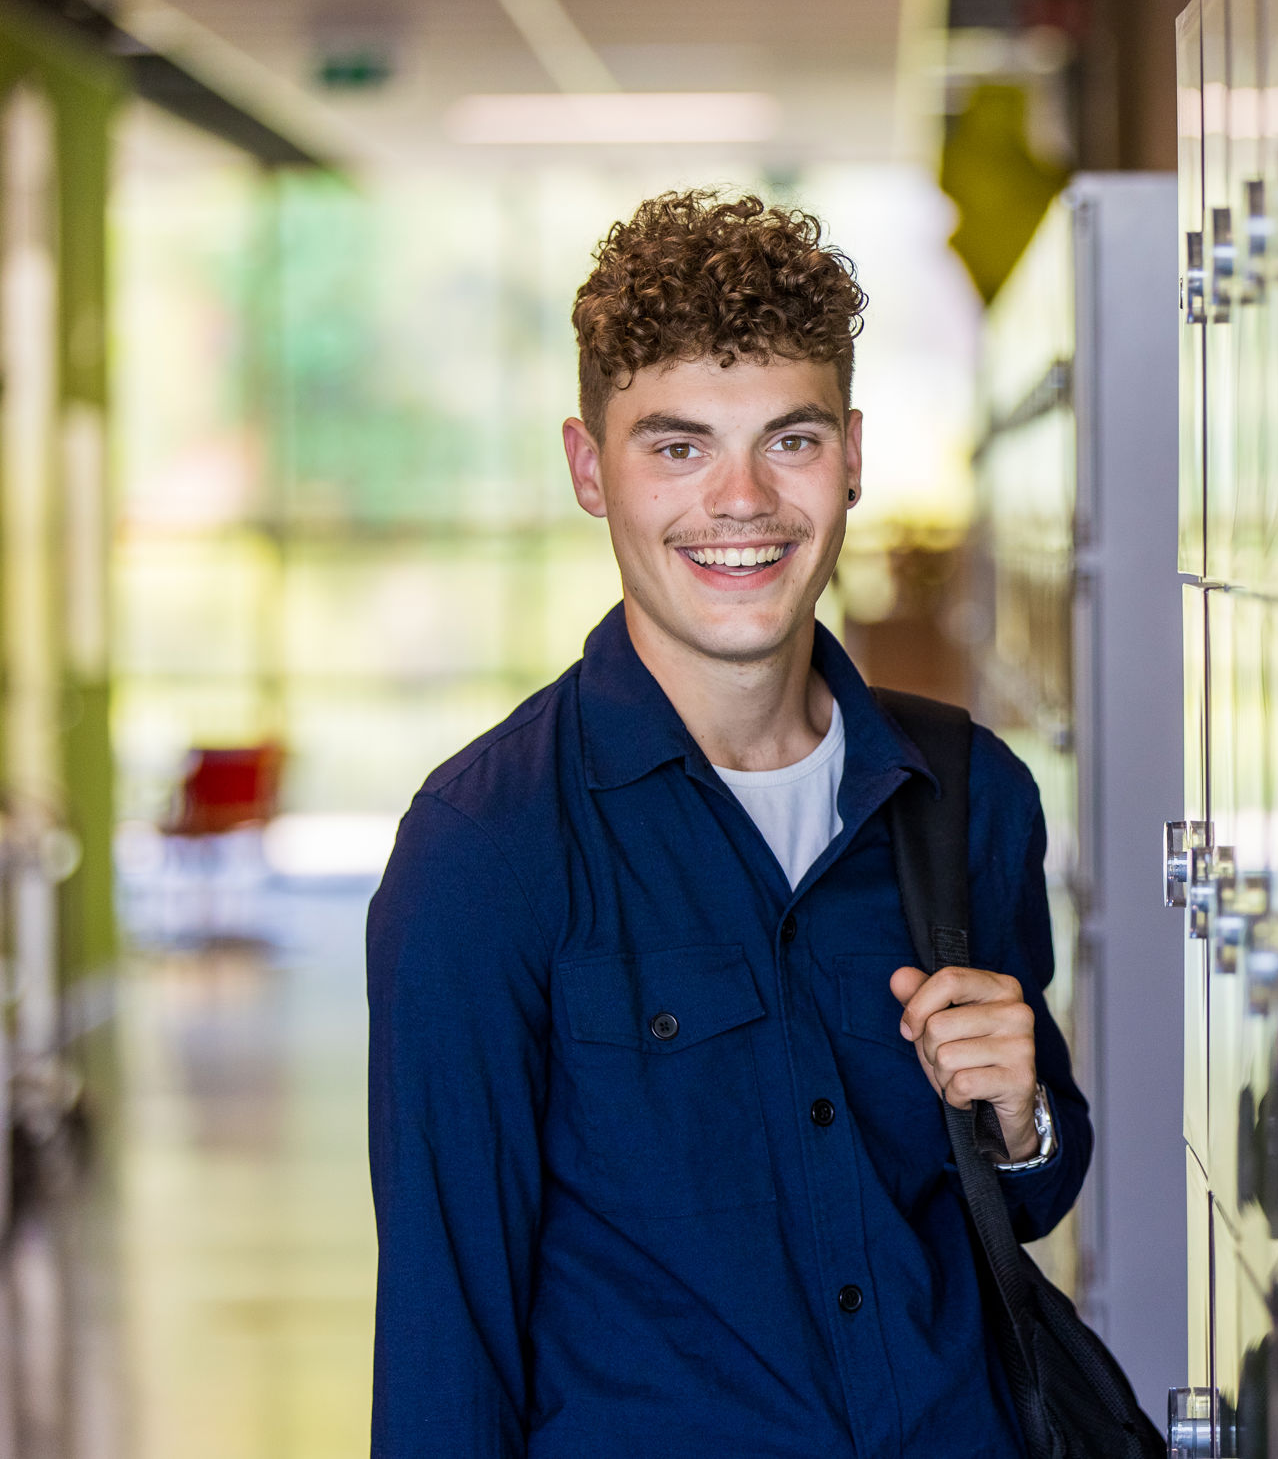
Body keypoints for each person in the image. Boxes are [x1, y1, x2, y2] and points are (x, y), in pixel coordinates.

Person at [366, 190, 1091, 1458]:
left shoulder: (968, 791)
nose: (743, 500)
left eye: (791, 441)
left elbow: (1027, 1191)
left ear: (853, 456)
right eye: (679, 446)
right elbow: (446, 1331)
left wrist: (1022, 1122)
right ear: (591, 469)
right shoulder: (484, 850)